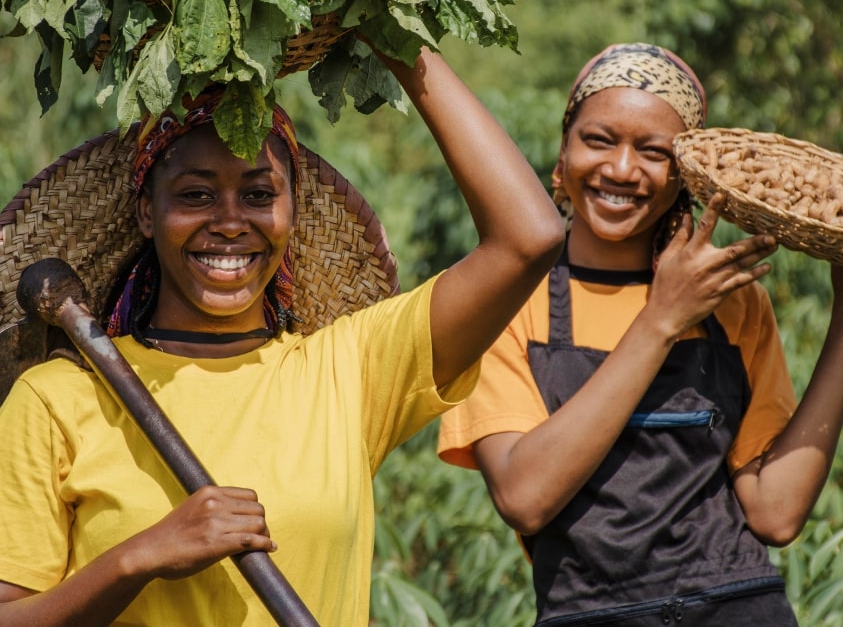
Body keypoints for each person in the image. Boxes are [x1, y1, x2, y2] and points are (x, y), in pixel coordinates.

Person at [0, 40, 566, 626]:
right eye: (195, 195)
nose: (228, 222)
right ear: (148, 212)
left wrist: (396, 35)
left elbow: (529, 238)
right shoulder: (56, 400)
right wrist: (139, 557)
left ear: (292, 212)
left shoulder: (350, 370)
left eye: (258, 194)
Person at [437, 42, 843, 625]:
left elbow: (776, 514)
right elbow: (525, 498)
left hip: (738, 606)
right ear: (563, 148)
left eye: (653, 152)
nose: (622, 170)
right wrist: (661, 320)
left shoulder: (732, 302)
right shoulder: (506, 301)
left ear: (685, 175)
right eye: (599, 140)